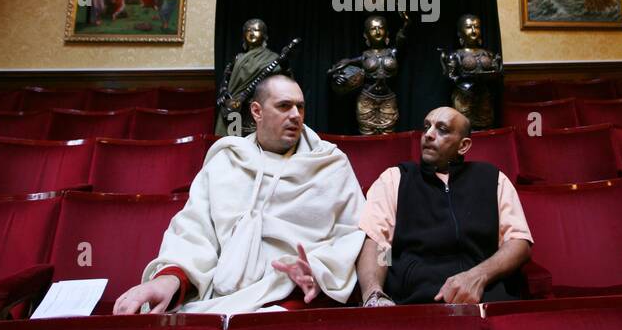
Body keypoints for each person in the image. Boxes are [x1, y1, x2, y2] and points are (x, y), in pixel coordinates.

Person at [113, 76, 366, 315]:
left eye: (300, 107)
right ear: (257, 111)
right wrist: (168, 280)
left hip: (297, 297)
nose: (295, 116)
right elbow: (195, 231)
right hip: (223, 298)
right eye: (284, 106)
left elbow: (354, 234)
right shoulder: (226, 161)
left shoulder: (330, 164)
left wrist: (319, 270)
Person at [355, 106, 533, 306]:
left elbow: (518, 244)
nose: (429, 135)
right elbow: (380, 244)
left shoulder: (492, 179)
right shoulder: (396, 179)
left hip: (485, 297)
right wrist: (374, 292)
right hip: (415, 301)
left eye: (442, 129)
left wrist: (478, 276)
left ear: (463, 146)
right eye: (426, 127)